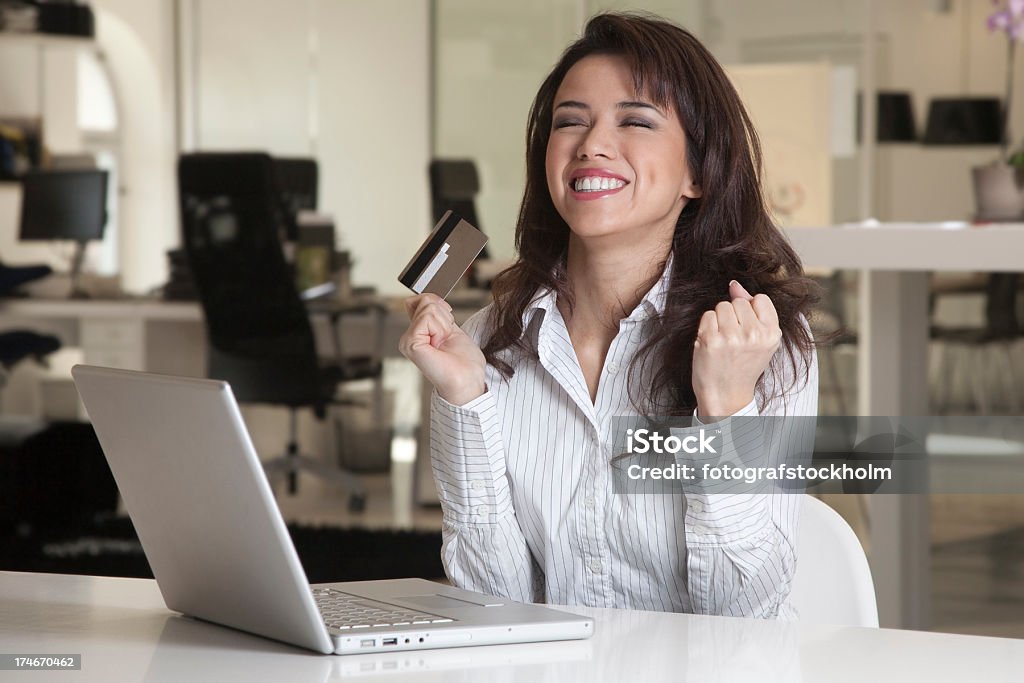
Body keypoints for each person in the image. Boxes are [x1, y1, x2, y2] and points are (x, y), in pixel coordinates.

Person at [399, 12, 818, 618]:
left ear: (698, 172)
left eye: (636, 120)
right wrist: (466, 401)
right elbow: (495, 604)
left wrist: (725, 411)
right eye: (571, 121)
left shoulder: (761, 342)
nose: (591, 143)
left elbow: (744, 615)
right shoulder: (489, 338)